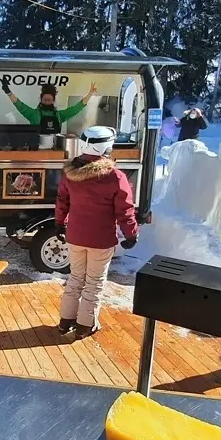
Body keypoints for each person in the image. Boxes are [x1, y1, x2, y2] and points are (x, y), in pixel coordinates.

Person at [55, 126, 139, 343]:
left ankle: (66, 321)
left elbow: (62, 201)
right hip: (100, 240)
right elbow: (125, 210)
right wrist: (131, 234)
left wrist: (59, 223)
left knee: (74, 278)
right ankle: (85, 325)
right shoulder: (114, 177)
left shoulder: (70, 173)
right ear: (107, 146)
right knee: (94, 282)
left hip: (75, 236)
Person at [1, 77, 98, 134]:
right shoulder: (33, 114)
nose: (47, 101)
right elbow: (19, 105)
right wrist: (8, 92)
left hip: (54, 150)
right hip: (36, 151)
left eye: (49, 100)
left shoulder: (60, 115)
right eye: (45, 99)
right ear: (41, 99)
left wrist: (90, 94)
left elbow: (76, 108)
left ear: (53, 100)